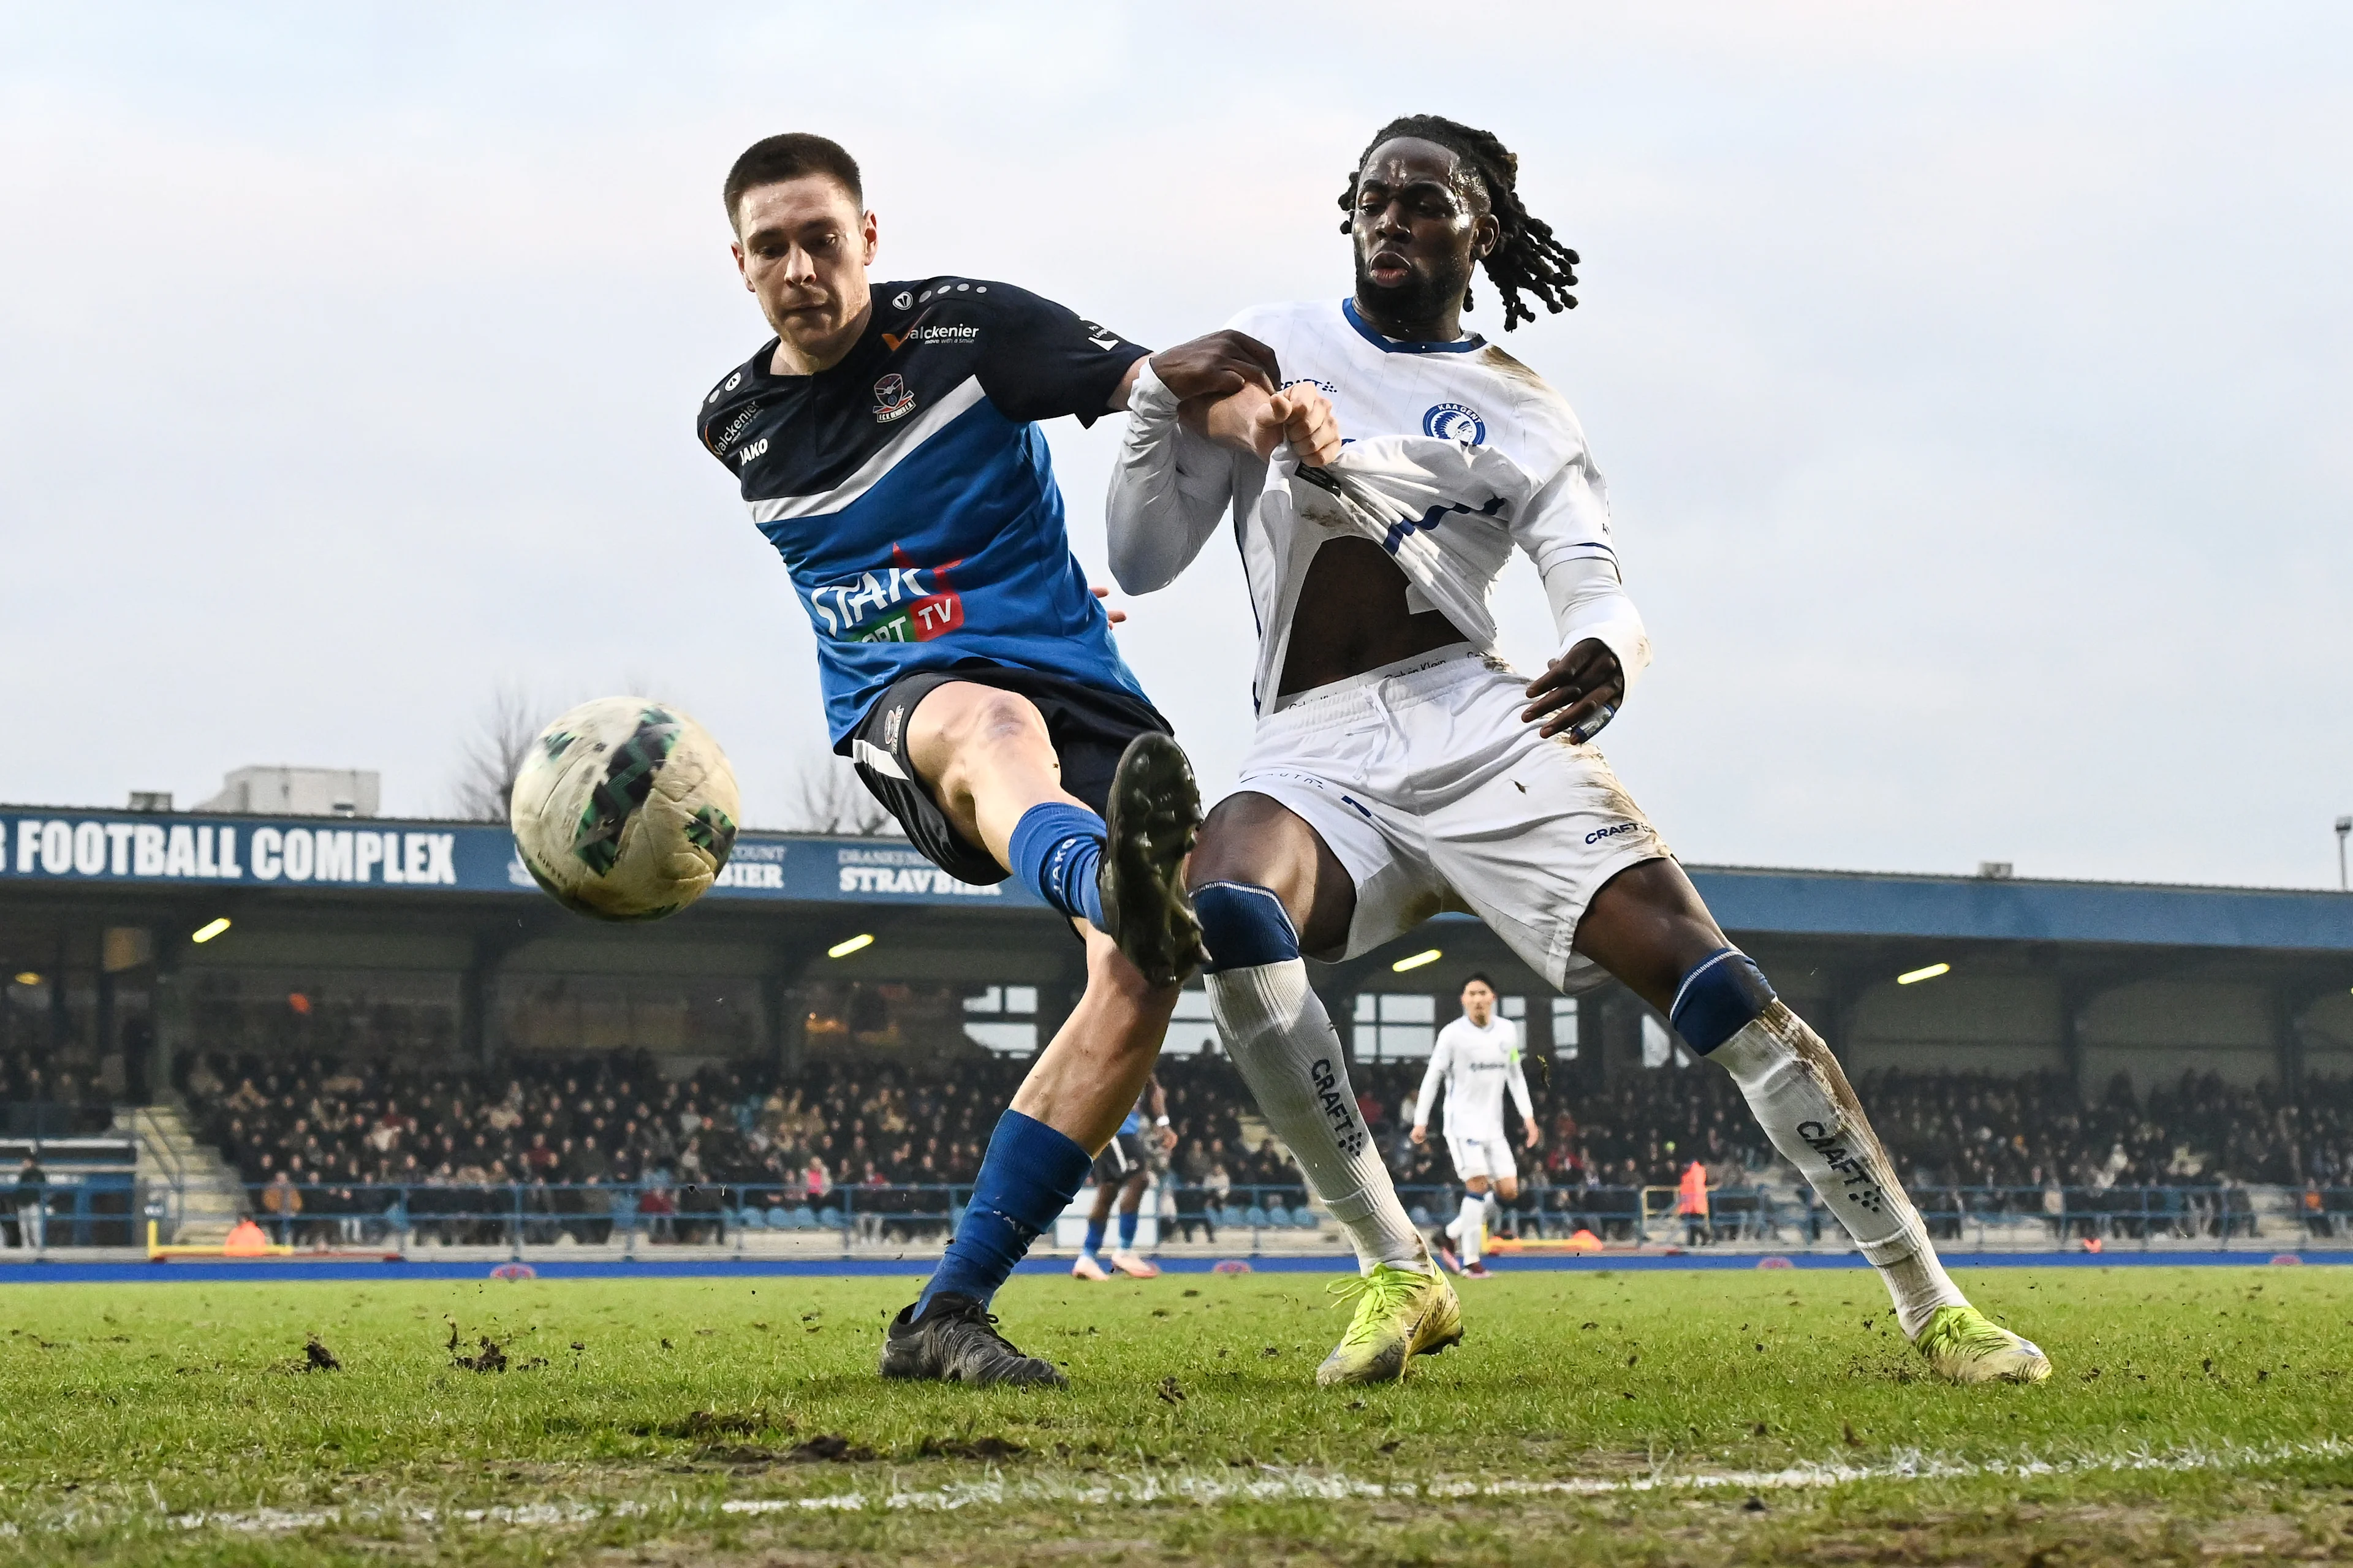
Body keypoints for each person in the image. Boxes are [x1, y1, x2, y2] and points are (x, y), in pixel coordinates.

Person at [1107, 113, 2050, 1387]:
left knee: (1711, 983)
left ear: (1480, 231)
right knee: (1228, 904)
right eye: (1376, 197)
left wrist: (1609, 651)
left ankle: (1933, 1303)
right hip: (1314, 749)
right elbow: (1141, 558)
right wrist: (1160, 407)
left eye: (1427, 202)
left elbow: (1596, 585)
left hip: (1486, 723)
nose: (1394, 218)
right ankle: (1398, 1268)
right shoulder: (1270, 346)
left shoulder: (1527, 412)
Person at [697, 134, 1336, 1388]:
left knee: (1141, 978)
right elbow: (872, 566)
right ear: (739, 264)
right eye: (770, 248)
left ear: (868, 237)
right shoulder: (733, 423)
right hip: (914, 708)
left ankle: (948, 1310)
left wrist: (1265, 416)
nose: (800, 268)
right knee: (998, 731)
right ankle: (1107, 876)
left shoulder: (965, 334)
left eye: (821, 238)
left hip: (1090, 692)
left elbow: (1156, 383)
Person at [1409, 975, 1536, 1279]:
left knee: (1508, 1191)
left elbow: (1515, 1075)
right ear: (1463, 1000)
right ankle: (1470, 1261)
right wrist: (1420, 1120)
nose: (1478, 998)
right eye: (1471, 993)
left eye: (1483, 992)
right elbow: (1433, 1076)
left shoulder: (1507, 1031)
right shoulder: (1453, 1035)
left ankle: (1449, 1234)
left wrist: (1528, 1117)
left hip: (1494, 1128)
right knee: (1477, 1185)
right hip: (1462, 1125)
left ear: (1493, 997)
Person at [1072, 1075, 1172, 1279]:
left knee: (1108, 1191)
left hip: (1111, 1130)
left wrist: (1162, 1122)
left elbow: (1154, 1088)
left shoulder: (1139, 1053)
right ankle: (1124, 1251)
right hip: (1116, 1129)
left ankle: (1087, 1258)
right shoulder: (1117, 1050)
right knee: (1140, 1179)